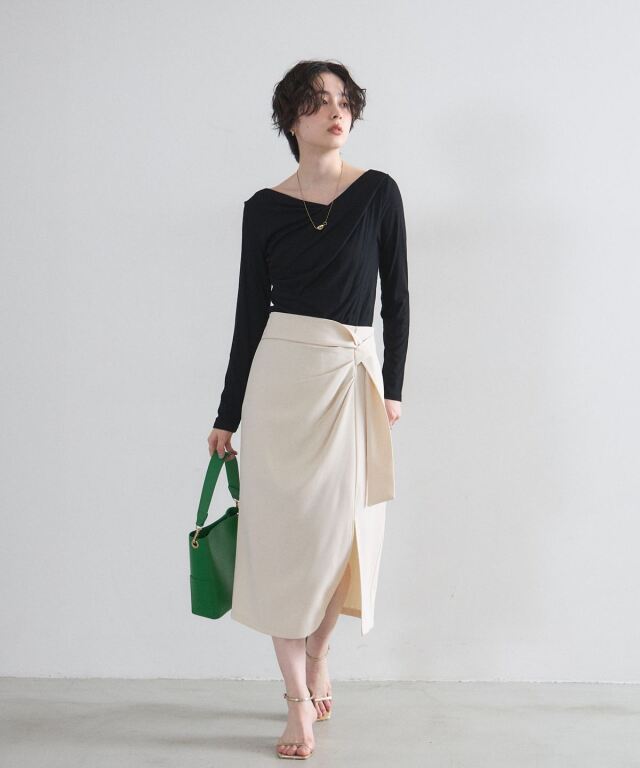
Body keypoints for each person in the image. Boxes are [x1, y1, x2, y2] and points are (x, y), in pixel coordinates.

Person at [207, 60, 410, 760]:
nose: (337, 111)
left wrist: (393, 387)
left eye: (344, 100)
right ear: (291, 118)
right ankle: (296, 700)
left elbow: (397, 299)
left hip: (350, 378)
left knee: (343, 534)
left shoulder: (378, 192)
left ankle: (320, 652)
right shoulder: (262, 208)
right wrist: (227, 415)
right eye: (319, 102)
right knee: (280, 542)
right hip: (280, 383)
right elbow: (247, 316)